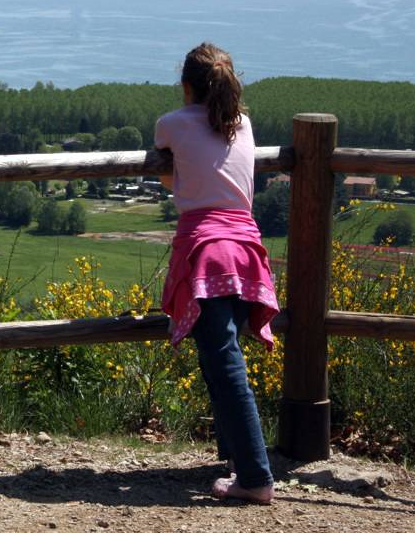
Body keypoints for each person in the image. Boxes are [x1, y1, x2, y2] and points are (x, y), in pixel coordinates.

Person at [155, 43, 279, 504]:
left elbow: (172, 175)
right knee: (221, 357)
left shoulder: (171, 122)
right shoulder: (242, 123)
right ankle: (236, 460)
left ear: (186, 86)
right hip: (246, 249)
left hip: (205, 252)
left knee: (224, 363)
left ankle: (254, 477)